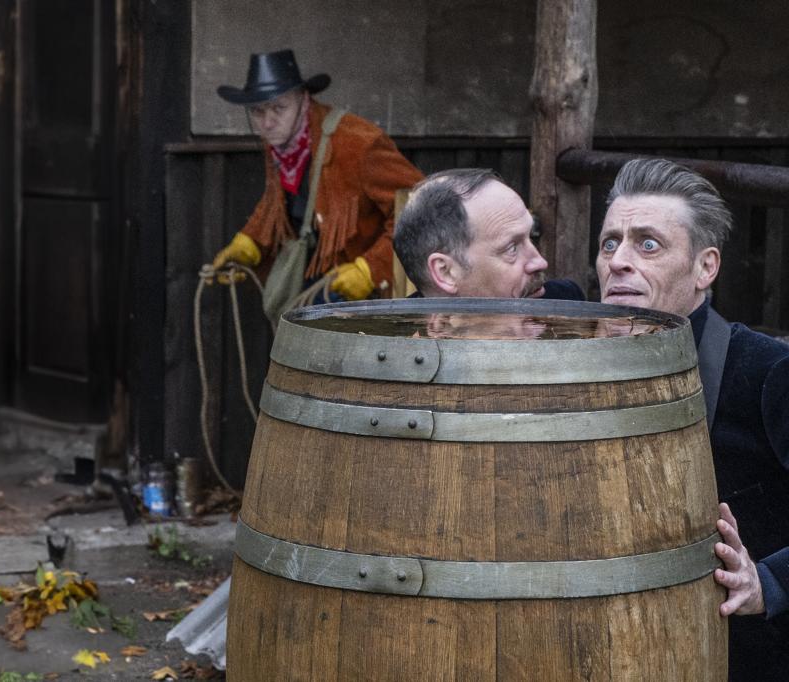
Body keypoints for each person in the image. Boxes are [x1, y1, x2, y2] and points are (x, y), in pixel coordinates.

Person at [596, 157, 789, 680]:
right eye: (610, 242)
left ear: (706, 267)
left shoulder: (768, 372)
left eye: (648, 244)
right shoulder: (579, 366)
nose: (619, 261)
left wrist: (768, 584)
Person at [210, 50, 423, 311]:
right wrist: (250, 242)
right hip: (314, 283)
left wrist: (370, 269)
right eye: (257, 111)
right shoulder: (282, 145)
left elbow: (420, 208)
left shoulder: (358, 143)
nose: (267, 122)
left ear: (303, 99)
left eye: (279, 107)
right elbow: (277, 200)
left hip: (367, 301)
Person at [393, 168, 584, 300]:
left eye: (531, 238)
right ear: (446, 272)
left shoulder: (568, 309)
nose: (540, 262)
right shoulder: (390, 349)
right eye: (512, 249)